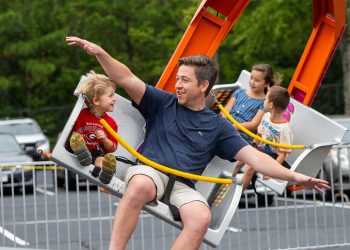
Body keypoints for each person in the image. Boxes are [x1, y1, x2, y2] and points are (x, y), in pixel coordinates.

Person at [66, 36, 330, 250]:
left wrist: (297, 176)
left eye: (184, 80)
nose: (177, 85)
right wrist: (100, 53)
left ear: (203, 85)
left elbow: (256, 158)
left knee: (201, 217)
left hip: (183, 185)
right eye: (178, 79)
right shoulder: (162, 102)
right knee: (139, 186)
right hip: (151, 172)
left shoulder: (217, 125)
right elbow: (125, 77)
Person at [232, 86, 293, 191]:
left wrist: (272, 169)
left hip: (273, 156)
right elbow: (259, 135)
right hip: (261, 149)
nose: (263, 100)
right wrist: (251, 147)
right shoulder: (266, 116)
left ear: (271, 104)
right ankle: (228, 183)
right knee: (239, 160)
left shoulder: (284, 129)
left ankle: (239, 193)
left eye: (265, 99)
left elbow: (283, 154)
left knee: (250, 168)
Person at [69, 71, 118, 184]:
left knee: (102, 159)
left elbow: (113, 148)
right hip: (79, 150)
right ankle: (83, 154)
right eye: (111, 95)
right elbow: (69, 133)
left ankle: (103, 172)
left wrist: (105, 140)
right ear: (96, 100)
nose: (114, 99)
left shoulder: (111, 123)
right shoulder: (80, 114)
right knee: (76, 140)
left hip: (97, 153)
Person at [222, 64, 281, 142]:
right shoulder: (239, 92)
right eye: (251, 78)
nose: (252, 82)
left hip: (242, 134)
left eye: (257, 80)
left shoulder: (264, 103)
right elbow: (225, 111)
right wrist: (221, 122)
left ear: (266, 84)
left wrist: (234, 127)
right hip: (225, 126)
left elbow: (254, 124)